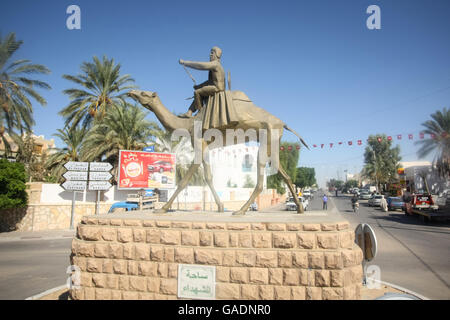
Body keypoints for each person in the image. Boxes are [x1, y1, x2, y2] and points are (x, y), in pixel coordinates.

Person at [179, 47, 225, 118]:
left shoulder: (215, 64)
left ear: (217, 55)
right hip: (215, 86)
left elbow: (201, 66)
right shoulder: (216, 66)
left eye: (212, 53)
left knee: (197, 92)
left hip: (217, 88)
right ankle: (189, 112)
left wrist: (185, 62)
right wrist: (199, 86)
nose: (210, 55)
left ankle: (200, 113)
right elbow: (210, 81)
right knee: (199, 92)